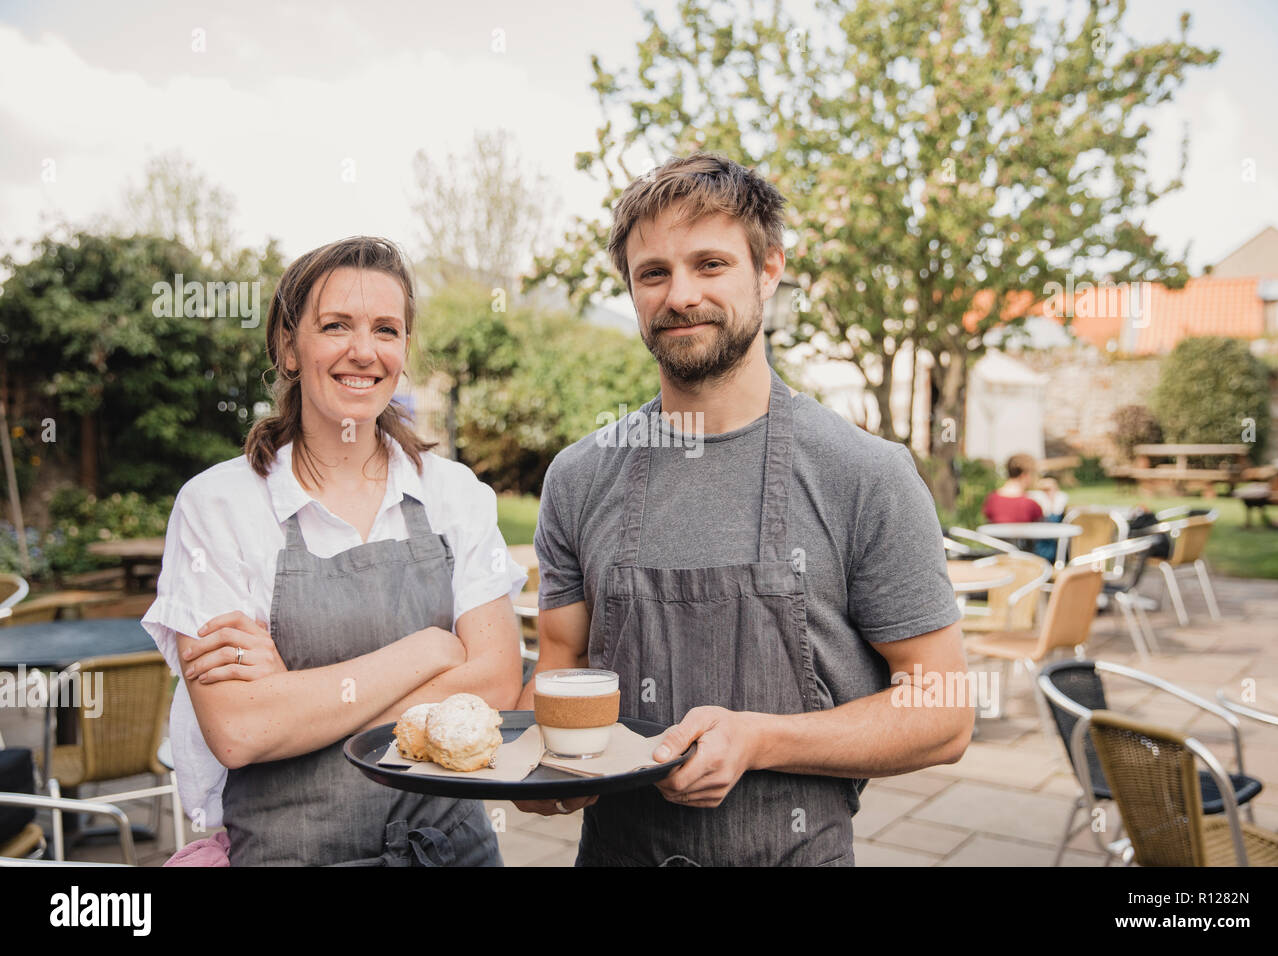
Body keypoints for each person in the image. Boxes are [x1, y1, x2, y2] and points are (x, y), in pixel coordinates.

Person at [515, 153, 973, 866]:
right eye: (653, 273)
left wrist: (761, 739)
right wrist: (541, 764)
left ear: (768, 271)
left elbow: (944, 713)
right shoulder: (579, 477)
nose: (680, 295)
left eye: (710, 264)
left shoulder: (864, 473)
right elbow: (561, 663)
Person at [142, 236, 527, 866]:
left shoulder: (455, 494)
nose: (363, 351)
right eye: (335, 326)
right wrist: (427, 652)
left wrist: (292, 703)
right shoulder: (219, 507)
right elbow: (239, 731)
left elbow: (496, 684)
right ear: (289, 347)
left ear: (404, 350)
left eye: (386, 329)